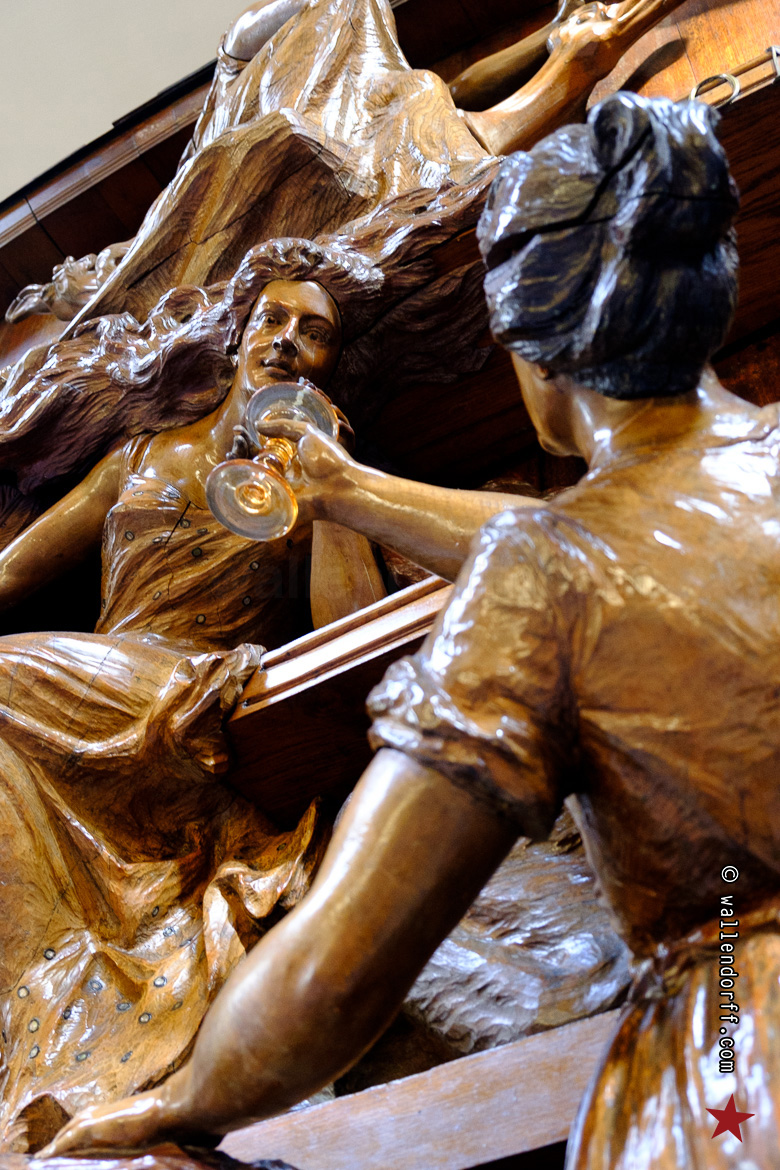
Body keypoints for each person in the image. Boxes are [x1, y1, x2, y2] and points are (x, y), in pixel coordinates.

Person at [44, 92, 780, 1168]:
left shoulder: (545, 571)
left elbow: (337, 966)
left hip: (737, 1052)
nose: (290, 343)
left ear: (532, 355)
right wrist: (348, 491)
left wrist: (176, 1105)